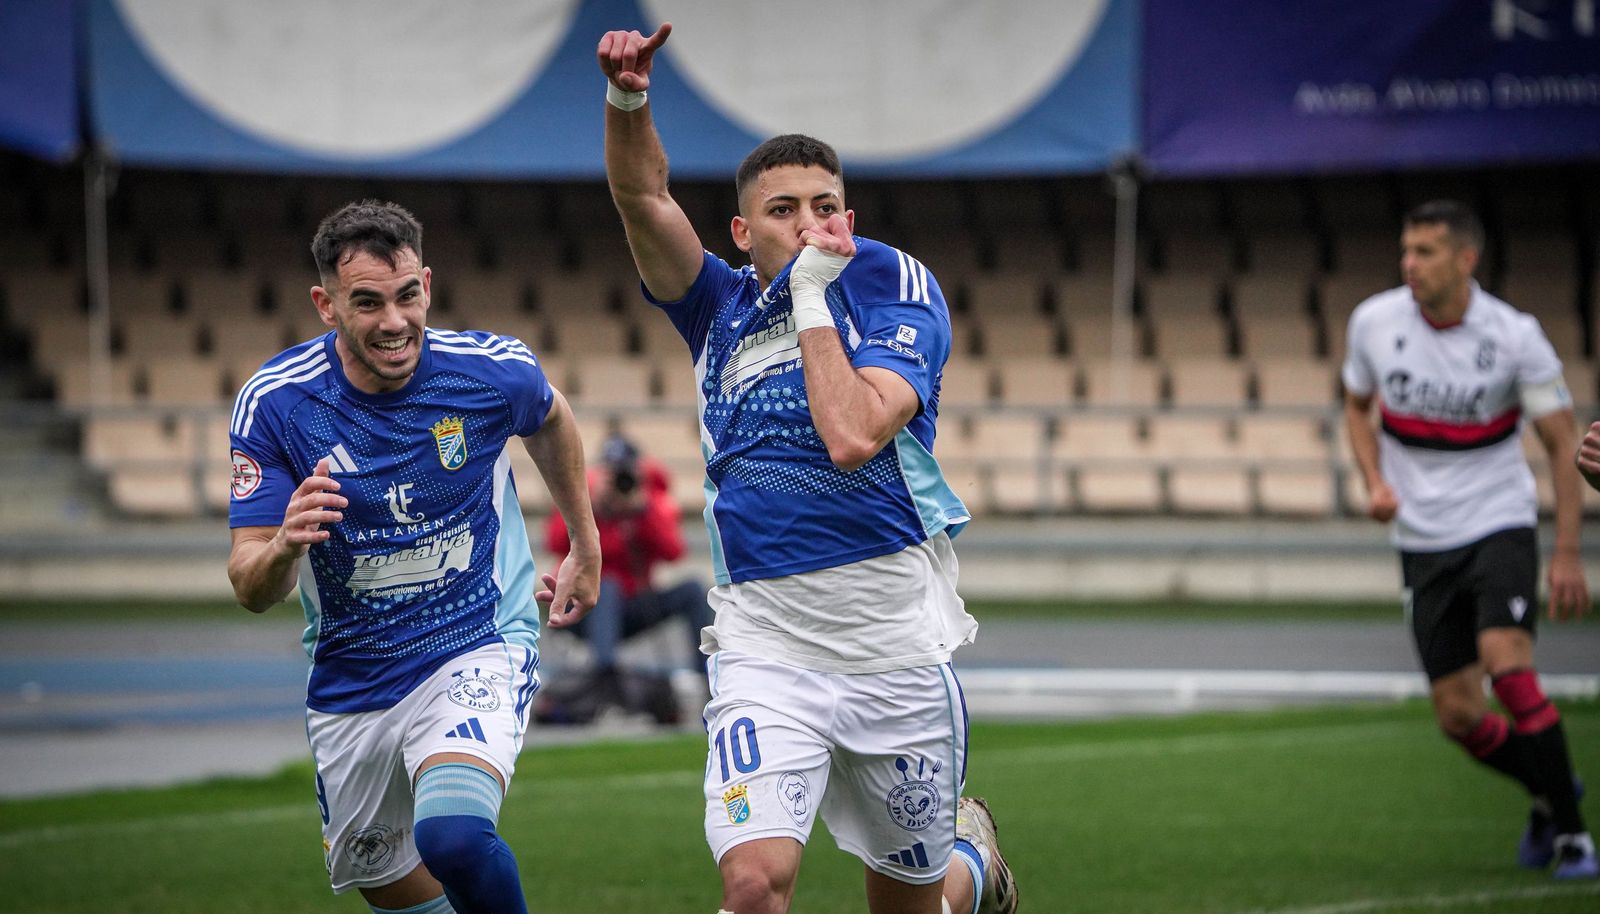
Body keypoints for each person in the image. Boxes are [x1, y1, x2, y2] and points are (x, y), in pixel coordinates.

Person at [597, 23, 1018, 914]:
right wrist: (628, 99)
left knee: (907, 902)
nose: (808, 225)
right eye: (782, 210)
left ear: (848, 223)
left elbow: (854, 435)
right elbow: (642, 197)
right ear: (743, 232)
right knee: (753, 886)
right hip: (765, 642)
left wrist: (816, 295)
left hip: (891, 644)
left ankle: (972, 874)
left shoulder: (892, 284)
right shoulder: (716, 306)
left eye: (823, 206)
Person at [226, 200, 602, 913]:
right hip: (353, 678)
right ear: (326, 305)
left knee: (454, 836)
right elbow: (249, 583)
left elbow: (552, 417)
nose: (394, 321)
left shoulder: (488, 371)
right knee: (389, 884)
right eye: (366, 302)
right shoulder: (275, 405)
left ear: (426, 284)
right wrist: (283, 544)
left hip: (476, 639)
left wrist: (584, 543)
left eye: (407, 296)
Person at [1342, 199, 1596, 880]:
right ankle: (1548, 786)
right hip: (1421, 538)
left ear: (1465, 259)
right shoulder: (1373, 322)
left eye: (1424, 251)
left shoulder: (1516, 336)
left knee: (1507, 665)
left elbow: (1561, 441)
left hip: (1497, 521)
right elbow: (1355, 407)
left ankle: (1574, 839)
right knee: (1457, 713)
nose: (1409, 265)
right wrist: (1373, 480)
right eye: (1405, 250)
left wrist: (1567, 553)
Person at [543, 433, 714, 717]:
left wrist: (641, 510)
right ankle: (605, 681)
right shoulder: (582, 496)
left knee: (694, 590)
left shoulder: (649, 497)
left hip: (637, 605)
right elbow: (555, 542)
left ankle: (708, 677)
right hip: (587, 608)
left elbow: (673, 551)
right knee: (606, 587)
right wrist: (590, 511)